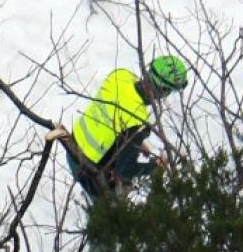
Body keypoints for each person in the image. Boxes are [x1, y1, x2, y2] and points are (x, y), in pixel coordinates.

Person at [63, 55, 187, 200]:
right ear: (164, 91)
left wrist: (135, 142)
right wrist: (156, 167)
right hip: (89, 172)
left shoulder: (121, 75)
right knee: (111, 214)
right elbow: (124, 171)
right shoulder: (137, 121)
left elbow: (114, 113)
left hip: (72, 146)